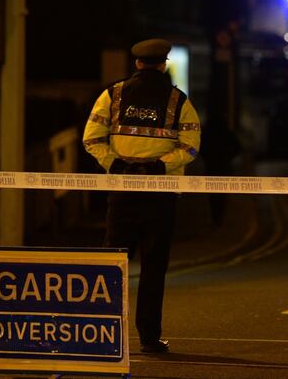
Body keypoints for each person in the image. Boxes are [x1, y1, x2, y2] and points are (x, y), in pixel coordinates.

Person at [82, 38, 201, 354]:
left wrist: (116, 163)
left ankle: (102, 335)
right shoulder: (179, 100)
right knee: (153, 267)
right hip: (161, 197)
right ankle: (149, 337)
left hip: (121, 194)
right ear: (163, 64)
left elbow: (91, 139)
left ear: (137, 63)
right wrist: (160, 167)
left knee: (113, 264)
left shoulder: (113, 95)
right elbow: (190, 146)